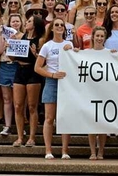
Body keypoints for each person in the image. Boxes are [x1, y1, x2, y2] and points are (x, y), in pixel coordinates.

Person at [36, 18, 73, 159]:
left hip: (66, 83)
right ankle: (48, 150)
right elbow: (37, 67)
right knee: (49, 118)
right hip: (51, 82)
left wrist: (74, 50)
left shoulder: (68, 43)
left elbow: (76, 59)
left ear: (64, 28)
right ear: (51, 28)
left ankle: (64, 151)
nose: (59, 27)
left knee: (64, 118)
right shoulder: (47, 46)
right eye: (56, 25)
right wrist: (52, 74)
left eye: (61, 25)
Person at [12, 16, 44, 148]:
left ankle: (31, 137)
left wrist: (36, 53)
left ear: (35, 24)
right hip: (19, 69)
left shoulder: (41, 40)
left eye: (29, 21)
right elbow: (12, 57)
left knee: (32, 106)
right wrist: (10, 47)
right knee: (18, 106)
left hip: (33, 71)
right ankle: (20, 137)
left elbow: (43, 61)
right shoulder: (20, 37)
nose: (26, 23)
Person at [83, 26, 109, 160]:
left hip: (104, 93)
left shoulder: (110, 53)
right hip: (90, 92)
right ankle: (93, 151)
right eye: (97, 36)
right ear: (93, 37)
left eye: (101, 36)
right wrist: (71, 52)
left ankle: (101, 151)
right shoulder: (85, 53)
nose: (99, 38)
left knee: (102, 123)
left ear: (105, 38)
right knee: (91, 123)